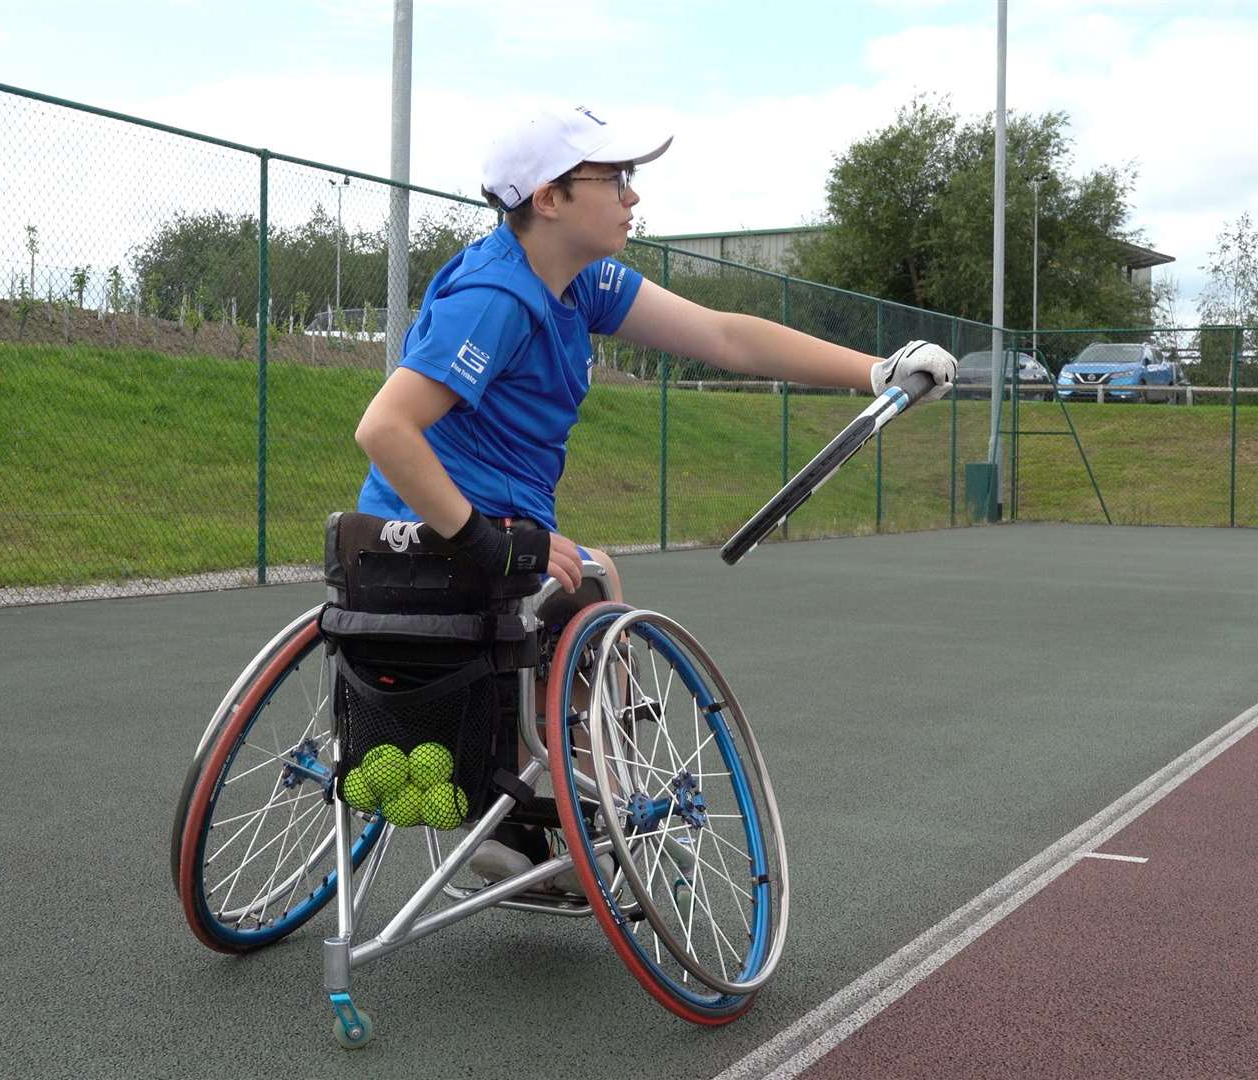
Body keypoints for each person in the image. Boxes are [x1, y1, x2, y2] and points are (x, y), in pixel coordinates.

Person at [354, 103, 957, 891]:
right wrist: (487, 542)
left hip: (496, 534)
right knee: (592, 591)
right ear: (549, 197)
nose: (632, 195)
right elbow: (385, 428)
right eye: (614, 179)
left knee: (589, 579)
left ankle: (541, 809)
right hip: (442, 542)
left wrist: (875, 369)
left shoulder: (578, 280)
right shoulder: (497, 297)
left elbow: (722, 337)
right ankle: (557, 807)